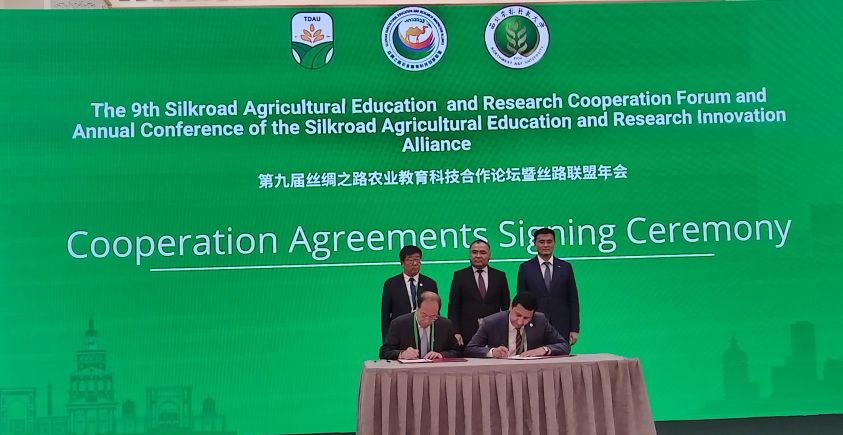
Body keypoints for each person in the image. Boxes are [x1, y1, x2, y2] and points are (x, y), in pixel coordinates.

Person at [516, 227, 580, 345]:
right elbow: (521, 300)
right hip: (534, 324)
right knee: (535, 356)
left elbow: (573, 300)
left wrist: (574, 329)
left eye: (549, 242)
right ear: (534, 244)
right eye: (541, 242)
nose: (545, 245)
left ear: (554, 243)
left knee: (561, 356)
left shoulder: (565, 267)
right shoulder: (525, 268)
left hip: (562, 326)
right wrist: (520, 325)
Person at [465, 292, 569, 358]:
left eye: (526, 318)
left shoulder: (540, 320)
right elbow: (470, 349)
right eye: (518, 315)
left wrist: (544, 350)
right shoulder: (491, 322)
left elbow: (564, 345)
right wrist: (492, 352)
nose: (520, 322)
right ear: (510, 306)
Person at [448, 239, 510, 346]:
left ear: (489, 255)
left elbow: (506, 307)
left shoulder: (499, 276)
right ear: (469, 254)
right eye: (474, 252)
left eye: (482, 252)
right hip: (467, 334)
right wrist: (455, 331)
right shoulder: (459, 276)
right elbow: (453, 307)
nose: (478, 256)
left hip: (494, 333)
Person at [379, 292, 460, 360]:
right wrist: (402, 354)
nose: (427, 320)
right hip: (408, 371)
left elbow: (457, 351)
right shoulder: (399, 324)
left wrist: (441, 355)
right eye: (424, 315)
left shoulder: (445, 325)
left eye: (432, 316)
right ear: (417, 308)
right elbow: (384, 352)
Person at [380, 245, 438, 341]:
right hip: (400, 332)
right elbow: (385, 315)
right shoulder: (391, 284)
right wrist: (387, 340)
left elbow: (436, 312)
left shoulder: (430, 283)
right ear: (402, 263)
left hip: (424, 332)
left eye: (417, 259)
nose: (414, 263)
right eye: (410, 260)